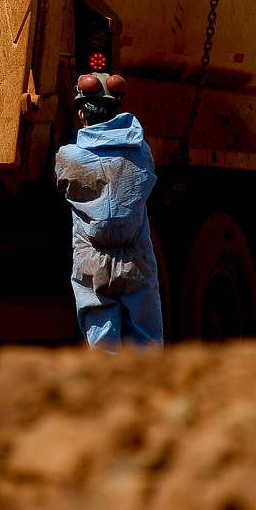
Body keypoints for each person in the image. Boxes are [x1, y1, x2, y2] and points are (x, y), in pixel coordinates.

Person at [53, 68, 164, 350]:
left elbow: (62, 182)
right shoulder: (141, 151)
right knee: (146, 347)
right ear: (116, 111)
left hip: (92, 260)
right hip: (136, 259)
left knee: (103, 350)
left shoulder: (68, 157)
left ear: (81, 114)